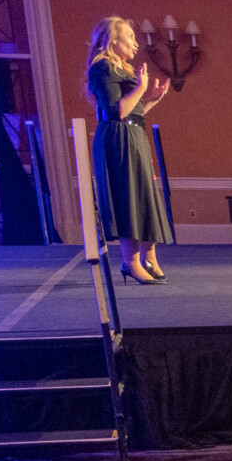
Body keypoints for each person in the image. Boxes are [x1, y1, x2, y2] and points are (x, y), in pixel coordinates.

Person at [86, 15, 171, 283]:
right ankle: (130, 262)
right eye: (130, 37)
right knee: (128, 198)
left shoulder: (121, 69)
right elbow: (116, 111)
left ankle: (150, 258)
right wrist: (142, 87)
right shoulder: (102, 69)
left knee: (143, 196)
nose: (135, 43)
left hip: (133, 135)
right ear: (113, 40)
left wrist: (151, 99)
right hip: (117, 140)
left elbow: (134, 113)